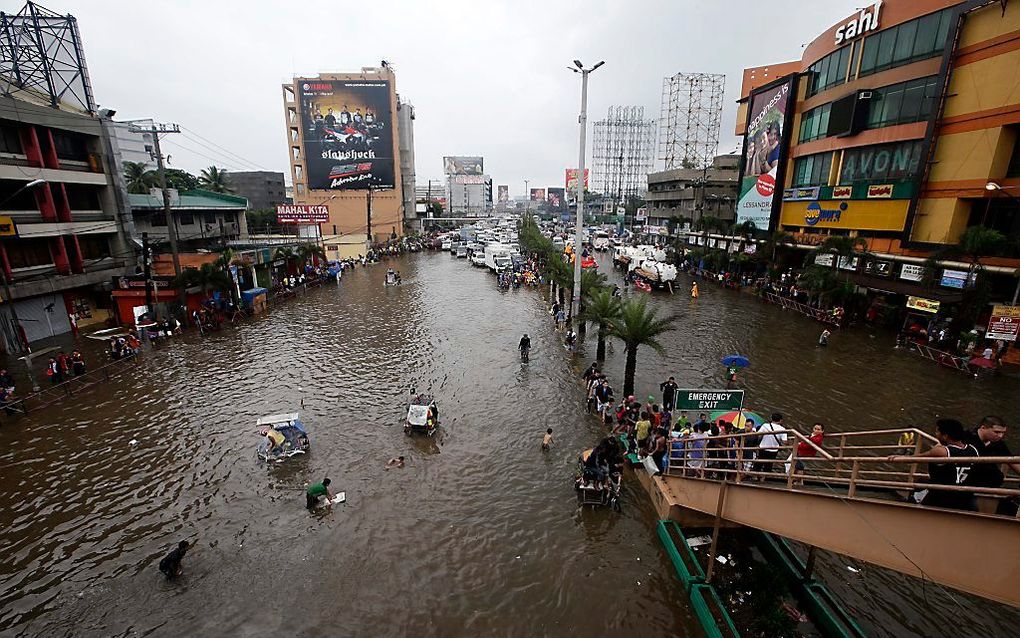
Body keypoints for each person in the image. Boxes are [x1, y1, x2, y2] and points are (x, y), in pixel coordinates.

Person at [889, 419, 978, 511]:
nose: (936, 434)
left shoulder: (942, 451)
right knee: (923, 481)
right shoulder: (973, 450)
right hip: (965, 496)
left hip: (942, 496)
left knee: (921, 486)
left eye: (937, 431)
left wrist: (900, 457)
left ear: (945, 436)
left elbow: (917, 458)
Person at [962, 416, 1020, 515]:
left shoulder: (999, 444)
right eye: (996, 432)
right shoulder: (966, 438)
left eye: (1003, 433)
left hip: (990, 486)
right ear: (983, 428)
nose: (1000, 436)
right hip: (968, 485)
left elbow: (1012, 462)